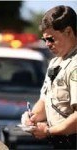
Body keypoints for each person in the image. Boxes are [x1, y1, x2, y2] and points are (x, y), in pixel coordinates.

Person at [21, 5, 77, 149]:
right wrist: (32, 117)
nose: (47, 45)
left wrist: (48, 131)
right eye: (45, 39)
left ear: (69, 31)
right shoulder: (55, 63)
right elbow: (46, 99)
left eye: (51, 39)